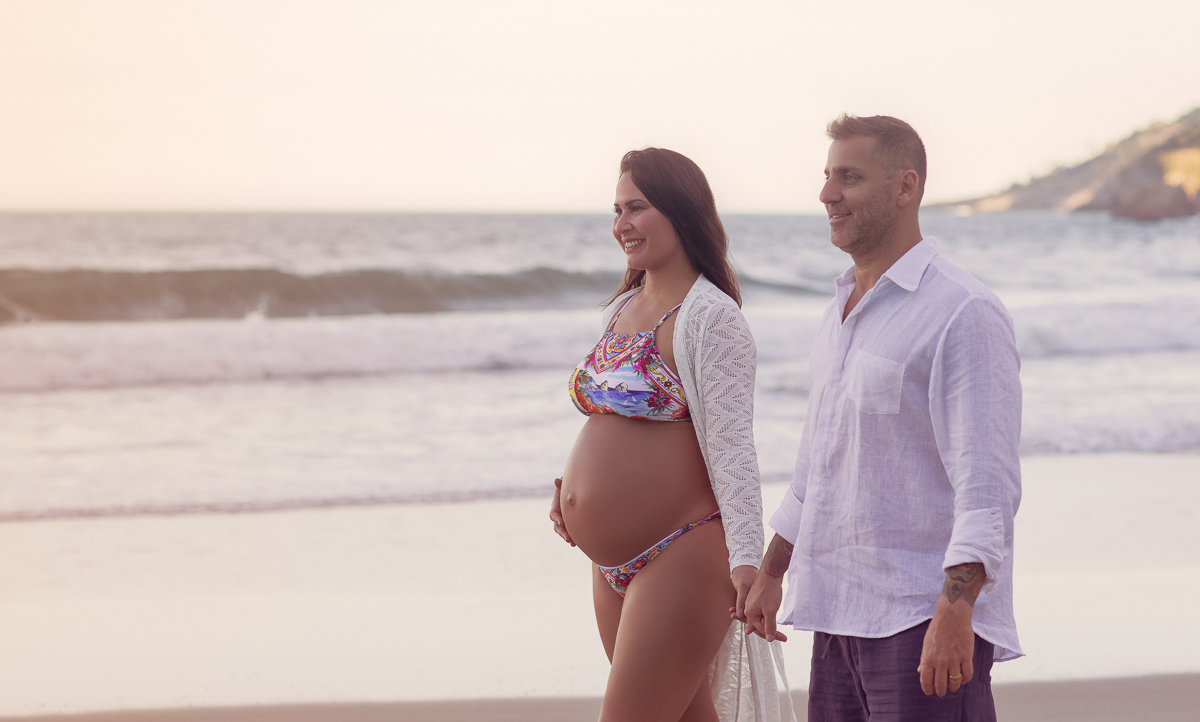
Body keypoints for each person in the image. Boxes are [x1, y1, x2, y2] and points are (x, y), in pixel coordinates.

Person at [743, 115, 1023, 721]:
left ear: (905, 186)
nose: (827, 194)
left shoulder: (962, 311)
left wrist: (955, 611)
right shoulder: (840, 310)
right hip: (837, 613)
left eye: (849, 177)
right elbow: (818, 463)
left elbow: (987, 487)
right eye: (827, 176)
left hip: (920, 618)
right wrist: (773, 570)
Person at [550, 147, 793, 722]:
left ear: (681, 210)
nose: (622, 224)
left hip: (682, 553)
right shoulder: (622, 308)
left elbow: (734, 450)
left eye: (637, 207)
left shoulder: (713, 317)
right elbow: (609, 418)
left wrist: (747, 561)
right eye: (617, 210)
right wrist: (570, 491)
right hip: (610, 564)